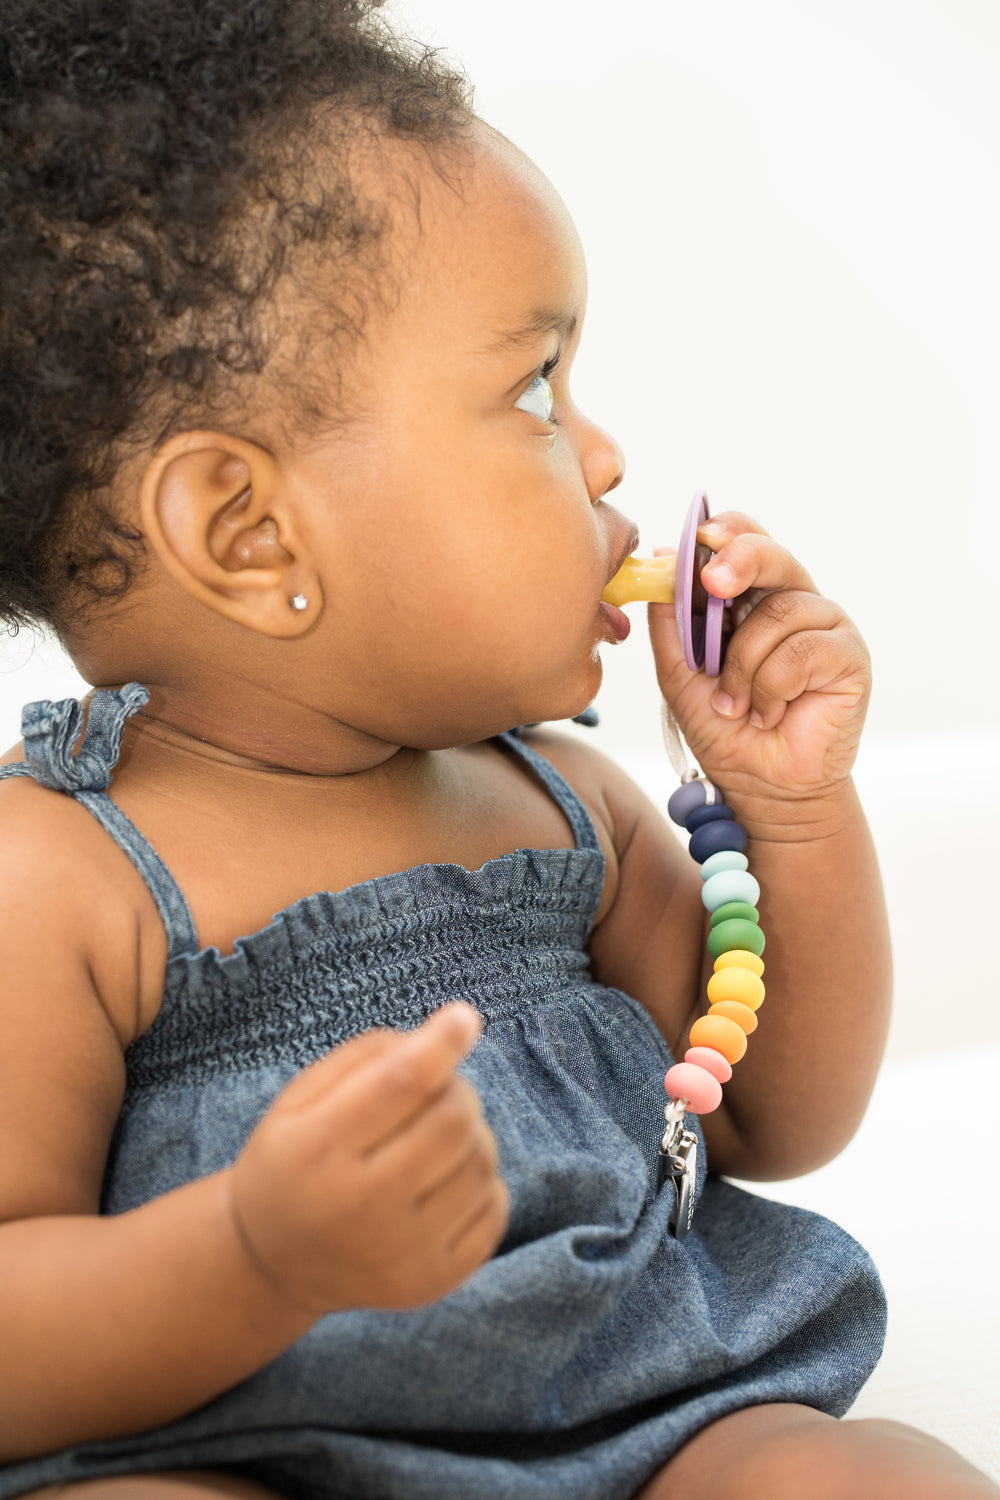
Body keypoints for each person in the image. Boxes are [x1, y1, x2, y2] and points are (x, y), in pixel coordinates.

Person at [0, 2, 994, 1497]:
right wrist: (251, 1254)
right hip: (255, 1458)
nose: (601, 456)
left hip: (658, 1431)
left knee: (865, 1477)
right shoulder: (62, 881)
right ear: (249, 531)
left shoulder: (558, 802)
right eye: (535, 389)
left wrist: (789, 805)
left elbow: (780, 1115)